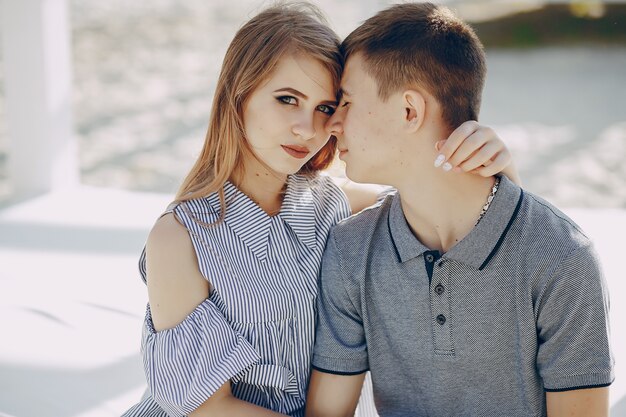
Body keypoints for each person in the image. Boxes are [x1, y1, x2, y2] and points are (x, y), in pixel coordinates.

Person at [122, 3, 519, 417]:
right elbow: (207, 407)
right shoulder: (180, 238)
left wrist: (499, 166)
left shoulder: (331, 203)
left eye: (326, 107)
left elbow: (447, 210)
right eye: (287, 99)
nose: (308, 128)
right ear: (238, 93)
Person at [306, 3, 614, 417]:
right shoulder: (349, 251)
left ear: (409, 111)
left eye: (345, 102)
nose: (332, 124)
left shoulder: (562, 259)